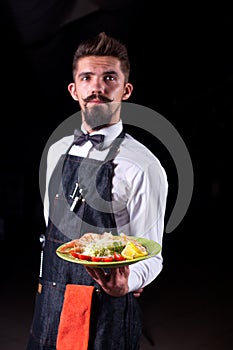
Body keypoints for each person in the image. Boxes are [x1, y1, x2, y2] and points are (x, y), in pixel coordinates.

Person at [27, 31, 168, 350]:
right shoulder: (56, 152)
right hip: (50, 301)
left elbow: (152, 255)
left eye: (109, 77)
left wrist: (127, 282)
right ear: (74, 89)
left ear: (125, 89)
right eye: (87, 77)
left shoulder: (142, 166)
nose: (98, 86)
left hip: (105, 314)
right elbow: (55, 231)